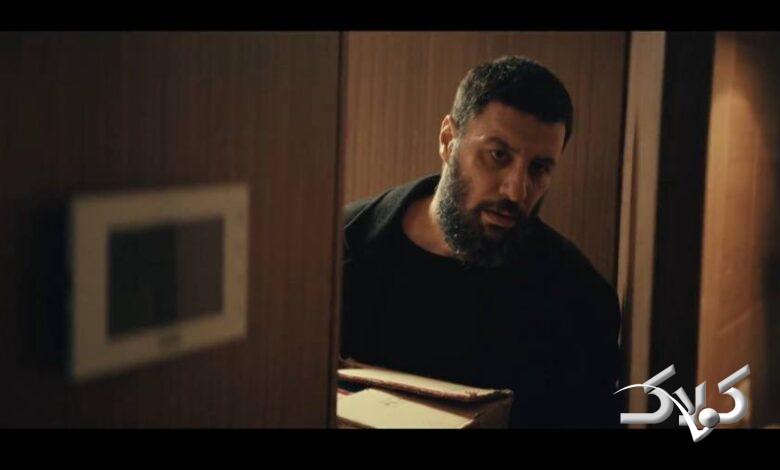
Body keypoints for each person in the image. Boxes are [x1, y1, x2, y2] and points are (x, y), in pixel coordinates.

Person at [339, 56, 622, 428]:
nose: (516, 190)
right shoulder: (338, 248)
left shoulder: (578, 300)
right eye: (498, 155)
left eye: (539, 168)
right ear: (448, 140)